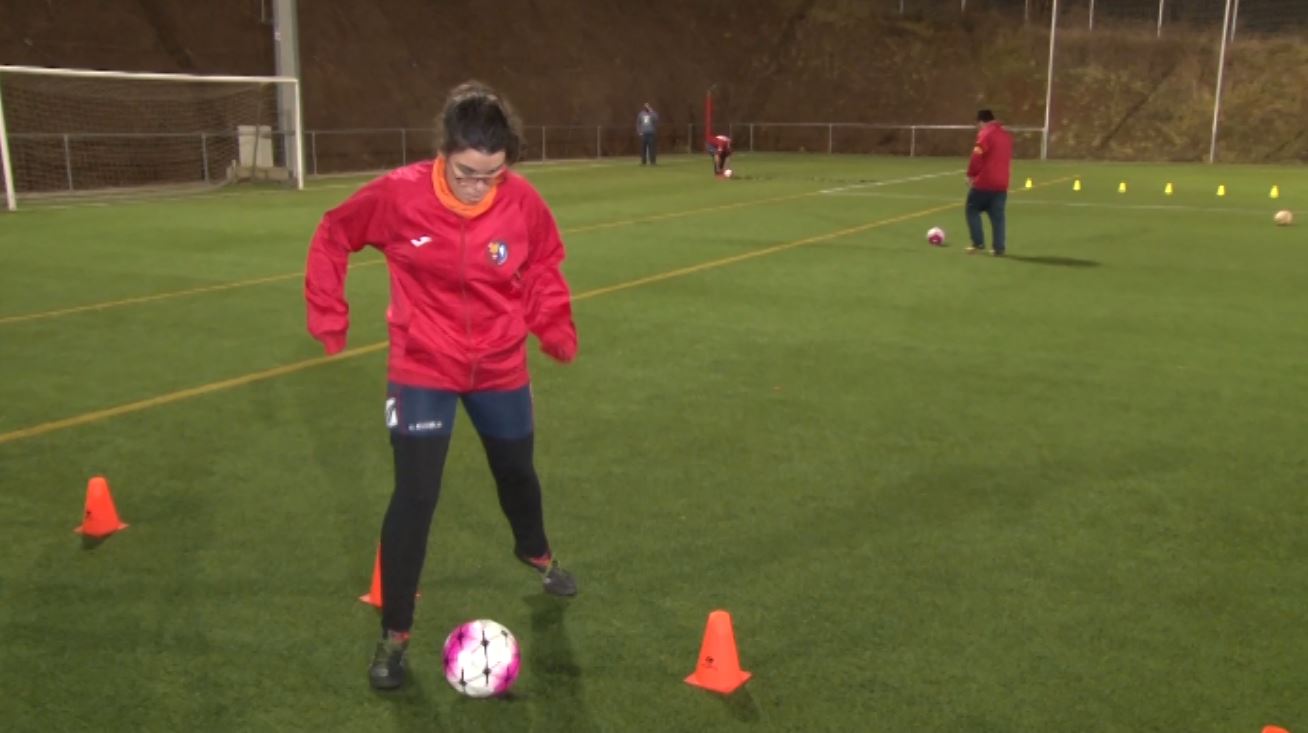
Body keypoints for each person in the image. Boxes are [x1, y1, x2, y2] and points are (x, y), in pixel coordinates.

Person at [303, 80, 580, 692]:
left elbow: (543, 262)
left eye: (493, 175)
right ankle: (395, 635)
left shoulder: (522, 202)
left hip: (500, 364)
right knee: (415, 495)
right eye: (466, 173)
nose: (479, 186)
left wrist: (553, 322)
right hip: (423, 364)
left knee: (517, 474)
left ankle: (536, 552)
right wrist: (329, 313)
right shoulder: (398, 196)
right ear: (443, 152)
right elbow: (333, 234)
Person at [965, 109, 1013, 256]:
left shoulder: (985, 135)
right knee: (998, 216)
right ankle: (999, 248)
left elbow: (977, 156)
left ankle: (978, 243)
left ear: (981, 122)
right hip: (1002, 183)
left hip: (985, 182)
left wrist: (971, 174)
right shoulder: (1006, 136)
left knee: (972, 209)